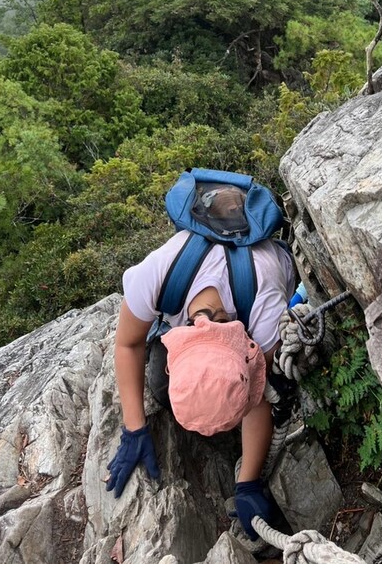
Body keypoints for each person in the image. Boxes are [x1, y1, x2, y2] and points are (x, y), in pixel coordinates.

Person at [106, 182, 296, 539]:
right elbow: (128, 344)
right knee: (160, 390)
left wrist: (248, 482)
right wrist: (134, 426)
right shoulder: (157, 275)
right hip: (208, 281)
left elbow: (259, 400)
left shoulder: (267, 314)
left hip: (267, 271)